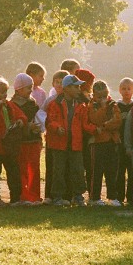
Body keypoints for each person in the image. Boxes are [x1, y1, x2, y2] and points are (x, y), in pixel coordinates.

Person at [46, 74, 95, 206]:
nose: (79, 89)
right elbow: (50, 121)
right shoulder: (54, 104)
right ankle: (57, 196)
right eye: (76, 87)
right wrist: (57, 128)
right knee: (58, 171)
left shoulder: (81, 105)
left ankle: (78, 196)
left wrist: (96, 130)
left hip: (75, 144)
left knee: (78, 170)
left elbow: (85, 124)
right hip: (59, 144)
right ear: (67, 88)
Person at [0, 77, 27, 206]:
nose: (5, 95)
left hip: (9, 145)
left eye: (6, 92)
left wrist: (20, 121)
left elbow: (21, 115)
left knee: (13, 170)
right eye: (2, 92)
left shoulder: (9, 104)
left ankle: (15, 198)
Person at [11, 73, 46, 205]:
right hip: (22, 141)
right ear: (19, 89)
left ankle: (34, 195)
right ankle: (24, 195)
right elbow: (15, 124)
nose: (30, 90)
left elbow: (38, 118)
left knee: (34, 169)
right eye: (28, 87)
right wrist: (28, 127)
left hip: (34, 140)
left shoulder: (32, 103)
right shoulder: (13, 105)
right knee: (22, 169)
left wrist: (38, 129)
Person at [87, 80, 122, 206]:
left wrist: (104, 125)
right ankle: (94, 197)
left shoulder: (113, 105)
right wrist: (103, 108)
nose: (102, 99)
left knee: (112, 171)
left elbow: (117, 121)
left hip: (112, 141)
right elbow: (94, 118)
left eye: (104, 96)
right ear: (94, 95)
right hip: (97, 142)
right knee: (96, 171)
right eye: (99, 96)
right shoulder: (91, 106)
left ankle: (112, 196)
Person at [41, 69, 69, 204]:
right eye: (56, 82)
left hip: (65, 139)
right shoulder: (50, 100)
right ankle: (49, 195)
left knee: (62, 168)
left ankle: (63, 195)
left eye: (62, 83)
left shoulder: (69, 100)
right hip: (52, 138)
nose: (59, 85)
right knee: (51, 167)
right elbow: (42, 115)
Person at [116, 77, 133, 205]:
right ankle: (119, 196)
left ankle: (131, 197)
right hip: (119, 142)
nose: (126, 91)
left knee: (132, 171)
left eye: (129, 89)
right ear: (119, 90)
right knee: (119, 170)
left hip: (132, 143)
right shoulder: (116, 106)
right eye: (124, 89)